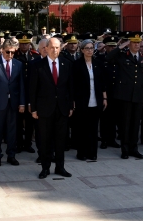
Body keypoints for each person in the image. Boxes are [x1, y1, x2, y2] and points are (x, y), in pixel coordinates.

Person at [29, 37, 74, 179]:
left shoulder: (66, 64)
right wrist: (34, 109)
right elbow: (32, 89)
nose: (55, 50)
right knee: (44, 140)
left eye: (57, 47)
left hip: (62, 108)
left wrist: (71, 105)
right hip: (44, 109)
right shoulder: (37, 65)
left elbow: (69, 88)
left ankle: (60, 167)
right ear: (46, 49)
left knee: (61, 140)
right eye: (52, 47)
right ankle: (45, 168)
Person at [107, 34, 143, 159]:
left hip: (138, 95)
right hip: (125, 95)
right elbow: (108, 58)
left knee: (136, 124)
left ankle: (133, 149)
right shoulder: (121, 56)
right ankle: (125, 149)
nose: (137, 45)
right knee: (125, 124)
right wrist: (121, 46)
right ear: (129, 44)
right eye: (134, 42)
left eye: (138, 43)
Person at [0, 38, 26, 166]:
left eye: (13, 52)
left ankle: (11, 155)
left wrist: (22, 103)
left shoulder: (18, 65)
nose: (10, 55)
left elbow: (21, 86)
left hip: (13, 104)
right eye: (8, 52)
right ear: (2, 50)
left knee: (12, 131)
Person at [72, 39, 106, 161]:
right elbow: (73, 84)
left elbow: (102, 82)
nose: (90, 50)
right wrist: (73, 100)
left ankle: (93, 153)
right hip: (82, 100)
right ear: (82, 50)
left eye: (91, 48)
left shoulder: (98, 63)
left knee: (93, 128)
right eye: (87, 48)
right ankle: (82, 153)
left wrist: (105, 97)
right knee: (82, 128)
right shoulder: (77, 64)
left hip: (96, 99)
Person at [14, 33, 40, 154]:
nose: (24, 46)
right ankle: (19, 143)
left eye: (26, 43)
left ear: (30, 44)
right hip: (18, 91)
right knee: (18, 121)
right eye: (22, 43)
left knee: (30, 121)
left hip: (30, 92)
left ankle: (28, 143)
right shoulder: (14, 55)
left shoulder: (35, 56)